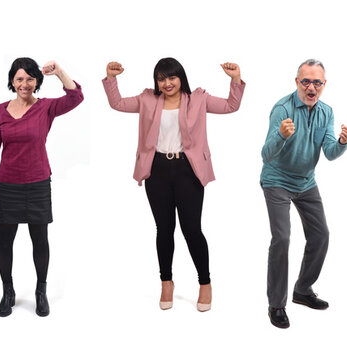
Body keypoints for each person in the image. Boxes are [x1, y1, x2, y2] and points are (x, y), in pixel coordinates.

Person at [102, 57, 244, 312]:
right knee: (164, 229)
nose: (167, 83)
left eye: (172, 78)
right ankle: (166, 282)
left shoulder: (198, 99)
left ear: (181, 78)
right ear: (156, 81)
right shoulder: (147, 99)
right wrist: (111, 78)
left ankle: (205, 283)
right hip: (156, 171)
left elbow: (231, 106)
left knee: (192, 230)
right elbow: (117, 103)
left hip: (188, 171)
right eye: (161, 78)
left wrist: (235, 80)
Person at [0, 58, 83, 317]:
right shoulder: (1, 110)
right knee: (5, 241)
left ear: (37, 81)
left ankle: (40, 292)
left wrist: (59, 71)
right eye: (19, 79)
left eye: (29, 79)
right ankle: (8, 291)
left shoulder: (46, 108)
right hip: (7, 185)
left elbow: (76, 96)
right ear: (12, 81)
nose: (24, 84)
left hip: (37, 183)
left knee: (40, 240)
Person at [262, 59, 347, 329]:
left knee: (321, 235)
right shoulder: (282, 109)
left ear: (324, 85)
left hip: (306, 183)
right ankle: (276, 304)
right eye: (306, 81)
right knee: (282, 238)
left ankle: (302, 289)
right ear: (297, 82)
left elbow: (330, 153)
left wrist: (343, 143)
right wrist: (281, 135)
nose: (311, 87)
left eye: (317, 82)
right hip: (276, 180)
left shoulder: (326, 112)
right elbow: (266, 155)